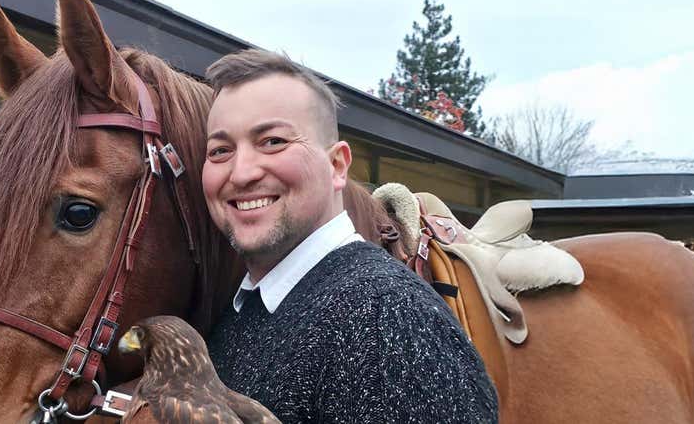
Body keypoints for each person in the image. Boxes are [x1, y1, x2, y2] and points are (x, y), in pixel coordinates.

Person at [201, 49, 497, 423]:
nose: (240, 173)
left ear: (337, 165)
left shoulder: (385, 320)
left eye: (273, 141)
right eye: (220, 150)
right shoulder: (242, 313)